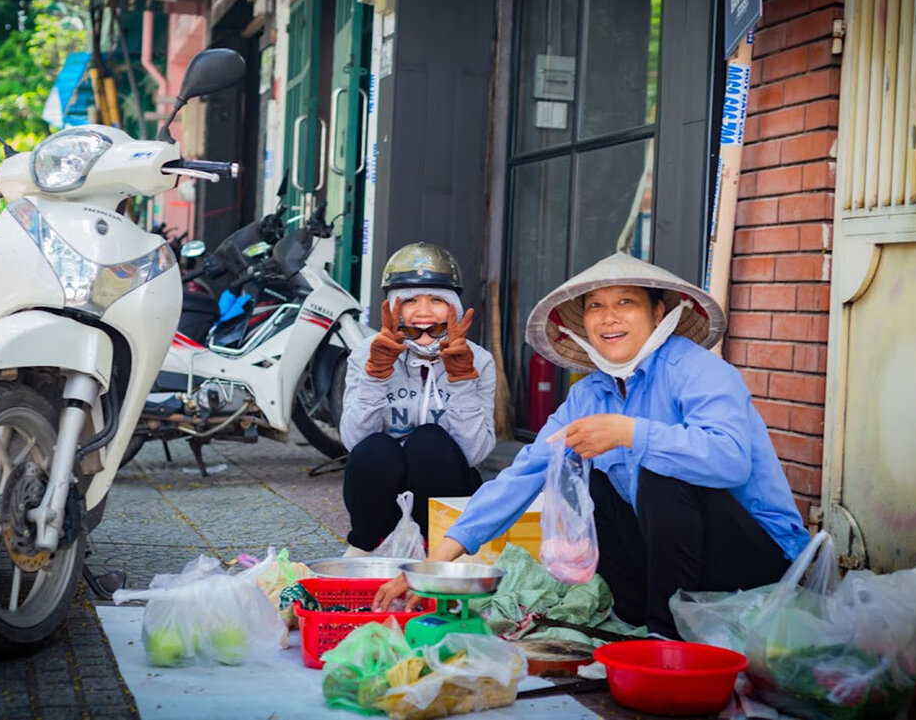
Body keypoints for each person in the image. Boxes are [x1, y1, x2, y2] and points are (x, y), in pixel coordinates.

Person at [374, 252, 810, 638]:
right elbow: (525, 473)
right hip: (676, 563)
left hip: (759, 565)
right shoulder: (590, 394)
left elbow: (730, 462)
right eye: (596, 307)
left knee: (660, 472)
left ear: (659, 314)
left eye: (625, 302)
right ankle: (637, 614)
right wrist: (435, 563)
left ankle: (664, 638)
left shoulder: (697, 370)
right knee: (591, 483)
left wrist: (630, 434)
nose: (608, 317)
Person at [339, 242, 497, 556]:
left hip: (446, 496)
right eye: (409, 300)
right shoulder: (366, 354)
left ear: (453, 307)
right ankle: (364, 551)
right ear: (392, 307)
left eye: (437, 299)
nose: (423, 312)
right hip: (383, 499)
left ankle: (442, 550)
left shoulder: (478, 360)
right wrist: (376, 375)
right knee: (375, 449)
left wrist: (462, 382)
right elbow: (354, 441)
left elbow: (475, 454)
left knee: (429, 441)